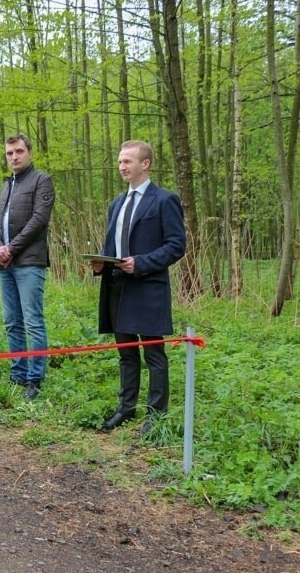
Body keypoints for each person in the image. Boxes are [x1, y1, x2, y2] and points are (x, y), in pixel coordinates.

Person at [91, 140, 186, 436]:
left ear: (145, 164)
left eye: (127, 161)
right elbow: (112, 246)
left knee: (154, 355)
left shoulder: (164, 200)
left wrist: (141, 263)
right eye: (120, 161)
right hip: (117, 287)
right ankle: (125, 408)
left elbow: (176, 246)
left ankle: (156, 416)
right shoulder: (116, 203)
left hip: (147, 287)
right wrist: (101, 264)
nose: (122, 166)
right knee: (126, 354)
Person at [0, 134, 56, 401]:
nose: (14, 157)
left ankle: (35, 378)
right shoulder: (7, 185)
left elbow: (39, 220)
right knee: (11, 322)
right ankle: (18, 374)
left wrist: (11, 248)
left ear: (29, 152)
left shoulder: (42, 181)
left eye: (19, 151)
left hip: (29, 262)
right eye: (9, 153)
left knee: (33, 322)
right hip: (5, 262)